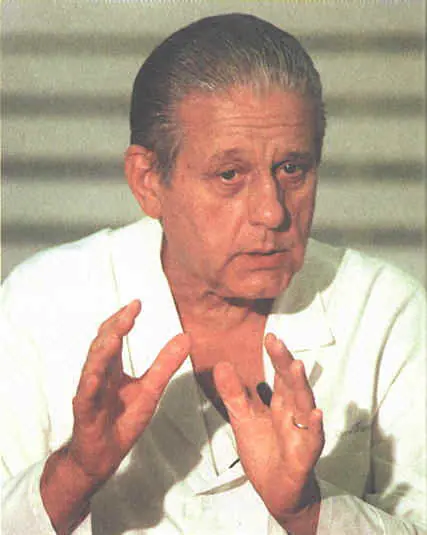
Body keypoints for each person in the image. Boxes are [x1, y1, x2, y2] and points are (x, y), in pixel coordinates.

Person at [1, 13, 425, 535]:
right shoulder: (42, 302)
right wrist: (75, 473)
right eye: (229, 174)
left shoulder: (385, 311)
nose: (272, 211)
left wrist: (309, 513)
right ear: (148, 180)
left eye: (292, 168)